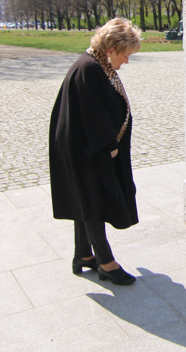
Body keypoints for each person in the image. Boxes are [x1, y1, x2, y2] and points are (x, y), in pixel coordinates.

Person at [49, 17, 141, 285]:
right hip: (87, 151)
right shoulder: (89, 68)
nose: (126, 61)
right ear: (111, 49)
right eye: (125, 55)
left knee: (86, 199)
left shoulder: (96, 65)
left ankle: (84, 255)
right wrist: (109, 149)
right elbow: (93, 116)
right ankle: (106, 263)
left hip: (87, 148)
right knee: (94, 203)